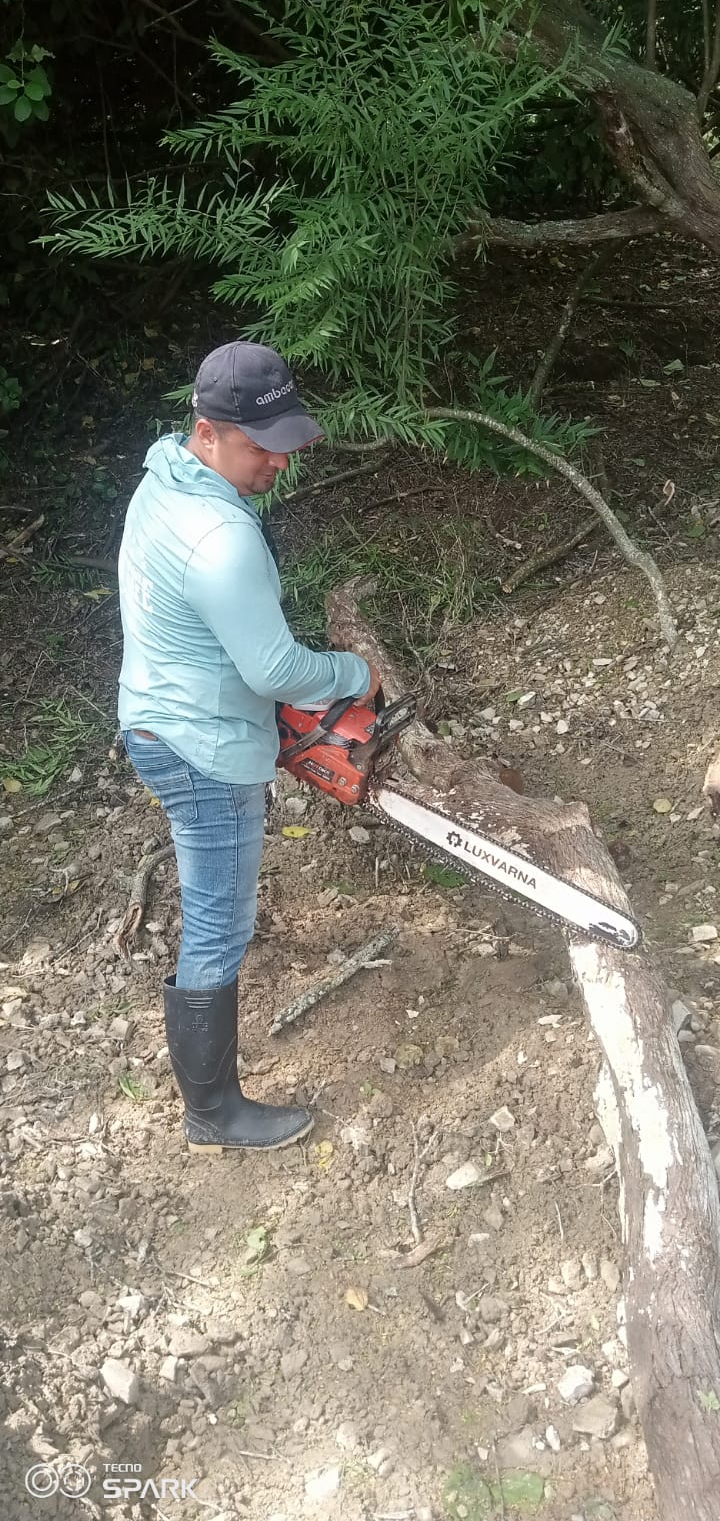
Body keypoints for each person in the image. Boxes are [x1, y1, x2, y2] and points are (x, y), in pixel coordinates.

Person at [117, 341, 379, 1156]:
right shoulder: (221, 537)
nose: (279, 462)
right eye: (261, 447)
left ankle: (210, 1103)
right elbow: (275, 671)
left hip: (156, 713)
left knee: (214, 915)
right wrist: (355, 673)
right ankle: (212, 1113)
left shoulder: (164, 479)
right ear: (208, 432)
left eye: (286, 443)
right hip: (202, 747)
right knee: (216, 929)